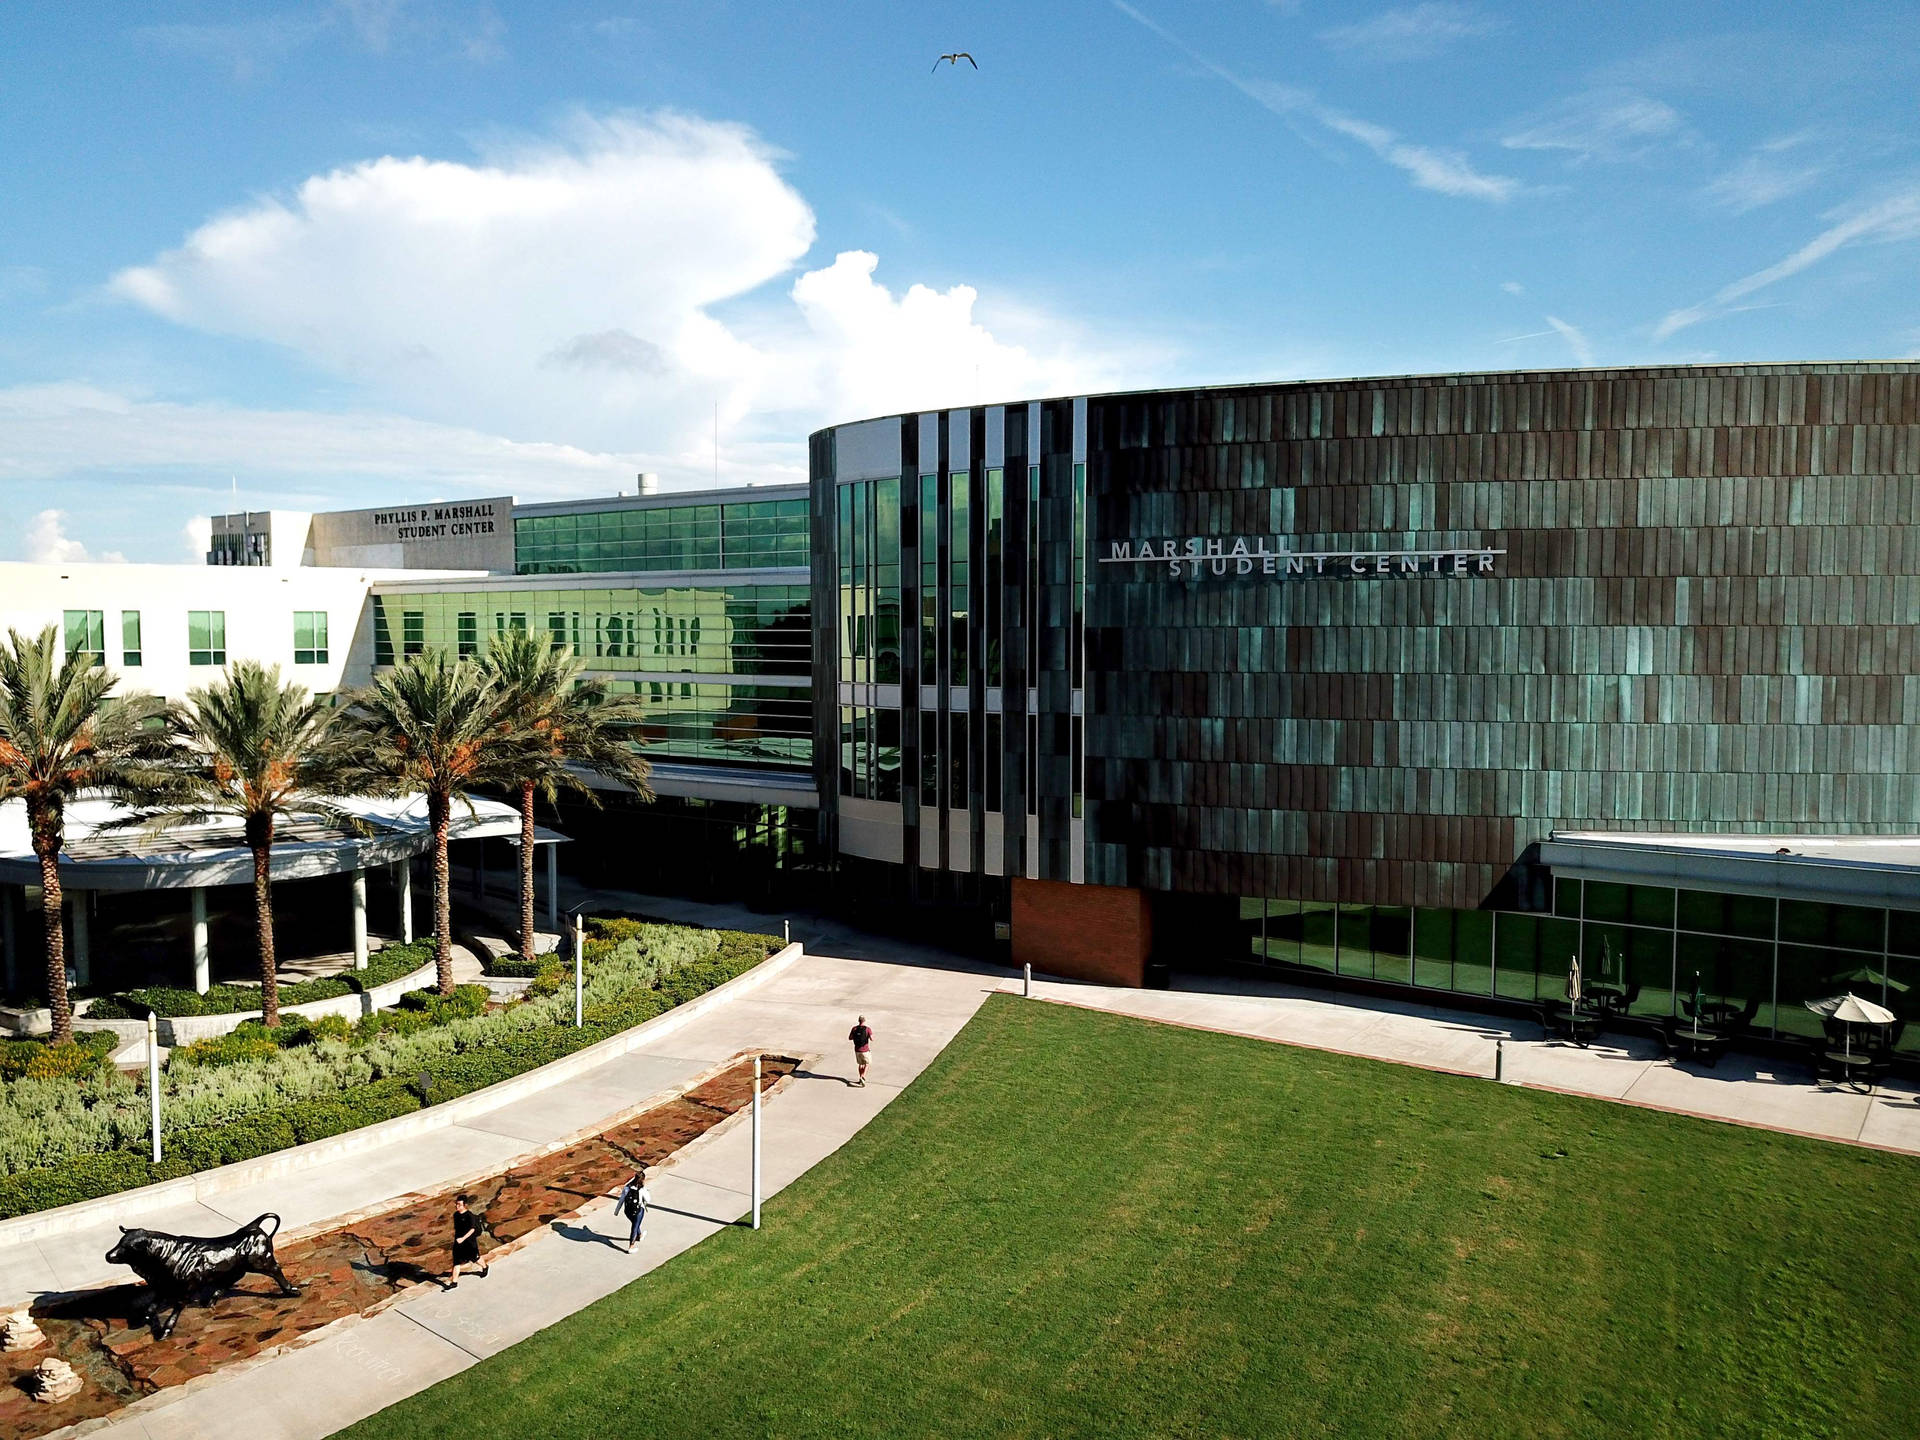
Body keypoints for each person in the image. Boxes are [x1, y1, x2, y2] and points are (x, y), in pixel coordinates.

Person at [448, 1194, 487, 1285]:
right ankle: (454, 1282)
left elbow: (472, 1229)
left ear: (465, 1205)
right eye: (456, 1204)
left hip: (469, 1242)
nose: (457, 1206)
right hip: (458, 1242)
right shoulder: (456, 1215)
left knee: (475, 1258)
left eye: (459, 1205)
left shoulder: (470, 1216)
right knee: (456, 1262)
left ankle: (485, 1267)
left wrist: (463, 1238)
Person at [613, 1170, 651, 1253]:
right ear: (643, 1180)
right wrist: (646, 1191)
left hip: (628, 1211)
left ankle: (640, 1236)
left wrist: (616, 1211)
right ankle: (631, 1247)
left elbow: (621, 1200)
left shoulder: (627, 1187)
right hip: (638, 1211)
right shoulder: (642, 1189)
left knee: (635, 1224)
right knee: (635, 1226)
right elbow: (648, 1200)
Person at [849, 1015, 873, 1087]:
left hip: (857, 1049)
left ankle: (860, 1078)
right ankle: (862, 1076)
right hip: (865, 1049)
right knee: (867, 1064)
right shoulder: (867, 1029)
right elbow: (872, 1039)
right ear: (864, 1020)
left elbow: (850, 1038)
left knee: (860, 1064)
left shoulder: (854, 1028)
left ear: (858, 1020)